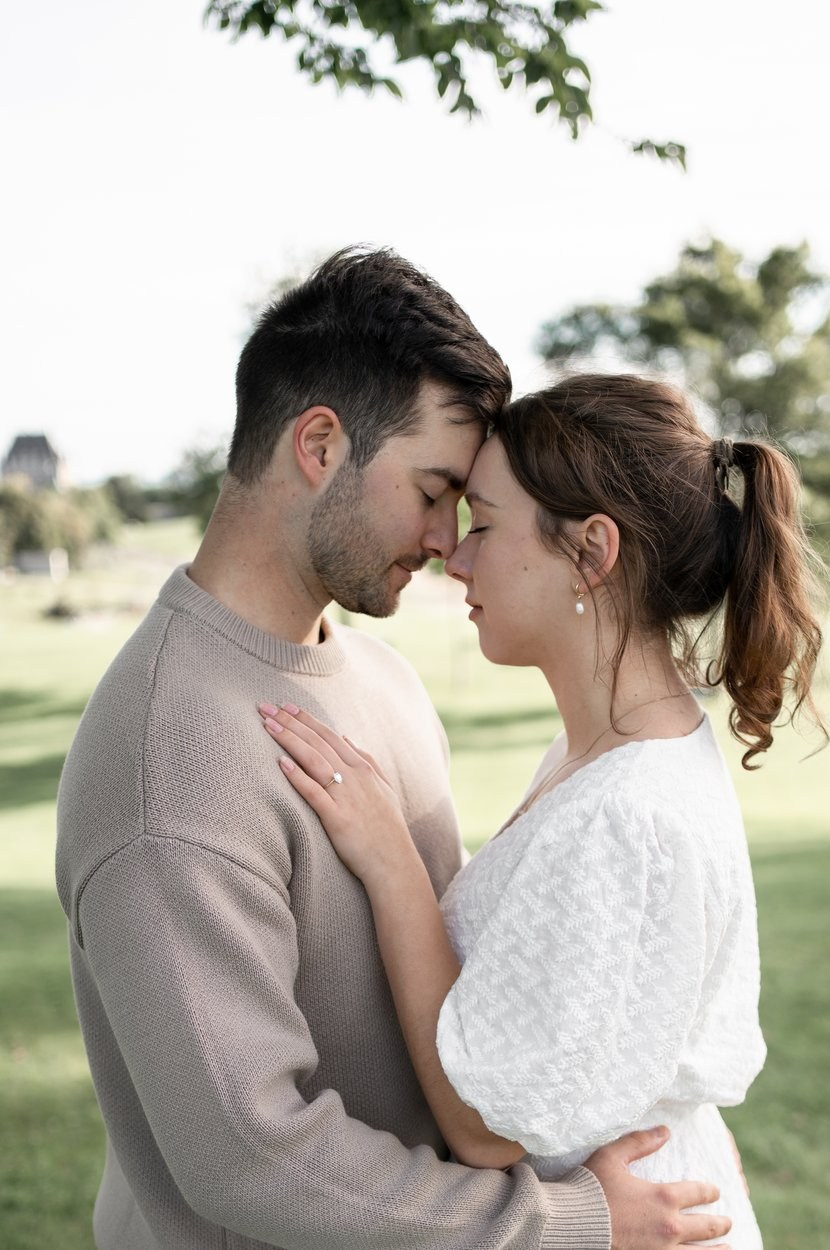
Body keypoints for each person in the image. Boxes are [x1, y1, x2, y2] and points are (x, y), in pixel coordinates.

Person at [55, 251, 734, 1250]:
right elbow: (253, 1156)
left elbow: (471, 1003)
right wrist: (572, 1220)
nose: (447, 536)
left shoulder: (384, 683)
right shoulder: (168, 757)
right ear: (320, 445)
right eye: (432, 488)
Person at [260, 373, 827, 1250]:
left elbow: (488, 1129)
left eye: (484, 523)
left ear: (592, 553)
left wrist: (389, 860)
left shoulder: (624, 812)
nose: (456, 556)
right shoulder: (597, 757)